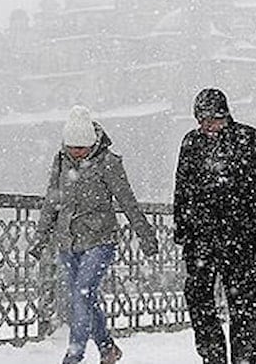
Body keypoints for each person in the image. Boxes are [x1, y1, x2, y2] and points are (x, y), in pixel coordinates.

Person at [30, 105, 159, 364]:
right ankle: (107, 347)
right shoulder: (60, 161)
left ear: (92, 143)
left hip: (100, 239)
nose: (76, 153)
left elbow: (127, 200)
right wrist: (41, 236)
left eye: (82, 148)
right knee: (84, 298)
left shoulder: (109, 163)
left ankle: (74, 354)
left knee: (82, 293)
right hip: (67, 240)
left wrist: (145, 235)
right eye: (72, 147)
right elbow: (51, 201)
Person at [174, 88, 256, 364]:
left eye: (213, 119)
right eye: (202, 120)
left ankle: (244, 360)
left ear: (225, 115)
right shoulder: (191, 143)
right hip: (200, 239)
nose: (207, 126)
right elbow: (182, 188)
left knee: (243, 306)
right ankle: (213, 357)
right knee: (199, 300)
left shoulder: (252, 141)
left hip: (242, 239)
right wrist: (182, 230)